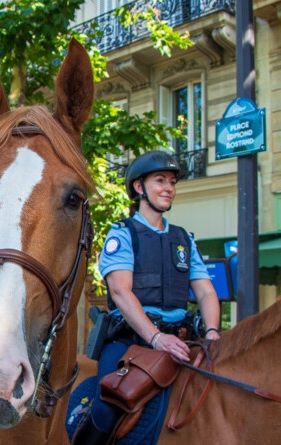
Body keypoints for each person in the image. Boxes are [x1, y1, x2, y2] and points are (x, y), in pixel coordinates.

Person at [72, 151, 222, 444]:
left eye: (172, 182)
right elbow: (120, 291)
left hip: (180, 342)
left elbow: (205, 291)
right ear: (139, 188)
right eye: (160, 180)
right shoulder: (123, 233)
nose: (169, 188)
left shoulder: (184, 239)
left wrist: (214, 333)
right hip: (130, 342)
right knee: (106, 407)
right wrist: (156, 338)